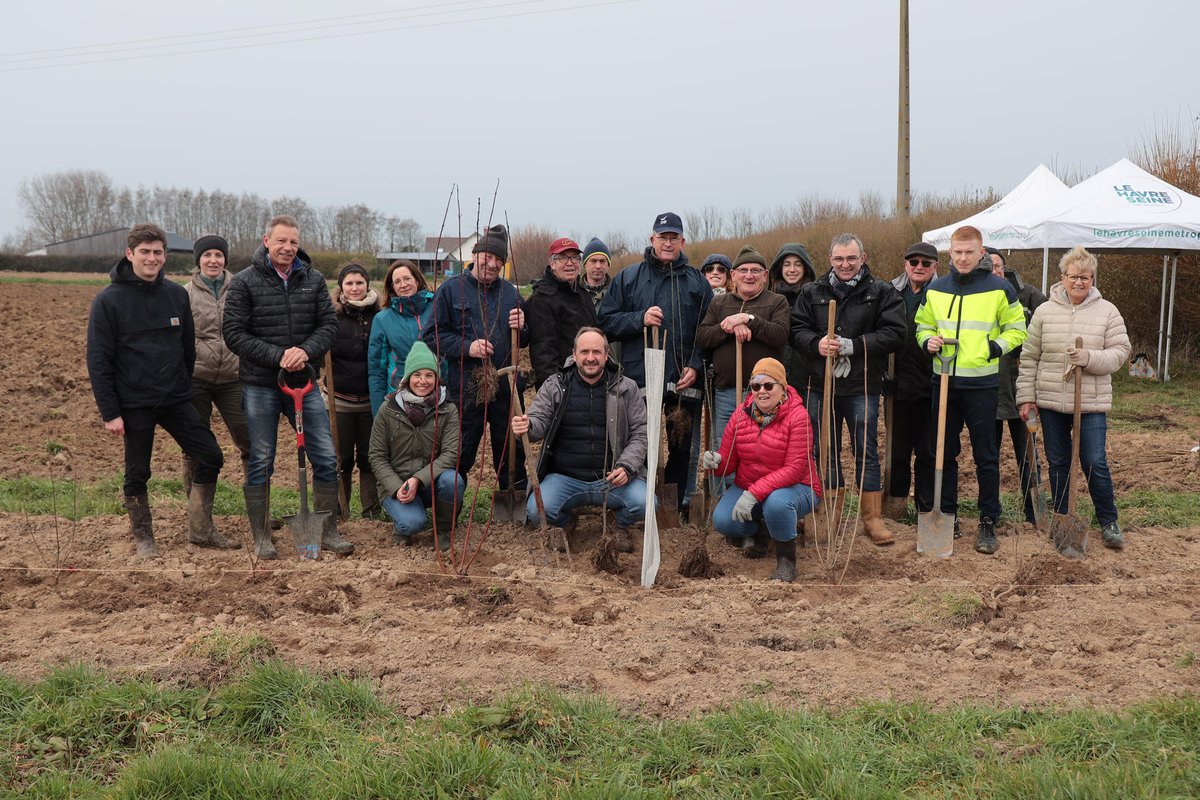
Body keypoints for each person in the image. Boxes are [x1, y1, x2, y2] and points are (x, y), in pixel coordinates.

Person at [86, 223, 227, 558]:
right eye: (145, 252)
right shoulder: (108, 301)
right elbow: (99, 360)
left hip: (175, 398)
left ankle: (201, 529)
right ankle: (144, 538)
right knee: (138, 472)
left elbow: (187, 348)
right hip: (134, 403)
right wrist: (111, 412)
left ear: (165, 256)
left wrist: (179, 383)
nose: (152, 258)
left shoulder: (176, 295)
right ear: (130, 254)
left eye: (158, 252)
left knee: (211, 456)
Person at [223, 214, 352, 558]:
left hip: (304, 383)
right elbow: (234, 333)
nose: (288, 248)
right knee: (261, 458)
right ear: (266, 241)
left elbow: (328, 326)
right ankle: (262, 535)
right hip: (261, 384)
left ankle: (328, 531)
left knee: (324, 455)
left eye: (293, 242)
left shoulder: (312, 280)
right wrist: (278, 356)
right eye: (281, 241)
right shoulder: (244, 282)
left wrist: (304, 352)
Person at [915, 225, 1027, 555]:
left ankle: (988, 520)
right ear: (951, 253)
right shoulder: (936, 289)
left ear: (981, 253)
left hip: (982, 384)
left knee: (986, 456)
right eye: (958, 252)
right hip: (944, 382)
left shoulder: (1000, 289)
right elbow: (922, 325)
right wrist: (928, 342)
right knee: (943, 453)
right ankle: (947, 514)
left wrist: (995, 347)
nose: (963, 258)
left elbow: (1018, 328)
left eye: (970, 252)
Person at [790, 233, 905, 545]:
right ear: (830, 260)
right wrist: (817, 344)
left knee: (865, 449)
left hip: (861, 384)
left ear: (862, 259)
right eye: (839, 259)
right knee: (822, 448)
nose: (845, 264)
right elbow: (796, 330)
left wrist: (855, 345)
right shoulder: (811, 292)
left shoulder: (881, 292)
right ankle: (828, 512)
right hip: (820, 384)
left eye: (851, 258)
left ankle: (872, 517)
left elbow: (895, 333)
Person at [598, 212, 712, 518]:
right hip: (640, 378)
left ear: (682, 241)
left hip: (683, 379)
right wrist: (639, 318)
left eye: (674, 237)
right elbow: (605, 321)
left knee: (681, 447)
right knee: (639, 442)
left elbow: (707, 329)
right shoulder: (628, 277)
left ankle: (675, 508)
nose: (668, 243)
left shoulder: (697, 283)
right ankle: (640, 503)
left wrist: (696, 364)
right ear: (652, 240)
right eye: (663, 237)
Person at [1017, 246, 1130, 548]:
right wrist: (1026, 397)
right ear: (1062, 278)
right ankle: (1063, 519)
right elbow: (1029, 357)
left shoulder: (1108, 311)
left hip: (1090, 403)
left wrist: (1089, 357)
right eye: (1073, 276)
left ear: (1092, 278)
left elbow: (1120, 353)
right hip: (1052, 401)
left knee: (1094, 461)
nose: (1079, 282)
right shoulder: (1044, 312)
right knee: (1058, 463)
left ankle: (1108, 521)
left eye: (1085, 277)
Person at [512, 328, 649, 553]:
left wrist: (627, 466)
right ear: (574, 355)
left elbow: (640, 432)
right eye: (584, 351)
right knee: (537, 511)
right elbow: (538, 421)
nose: (590, 358)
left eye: (597, 352)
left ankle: (618, 522)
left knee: (646, 503)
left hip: (612, 479)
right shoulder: (555, 385)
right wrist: (527, 426)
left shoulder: (626, 387)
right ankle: (566, 524)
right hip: (566, 478)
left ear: (607, 355)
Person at [423, 224, 526, 488]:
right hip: (465, 387)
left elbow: (525, 340)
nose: (492, 264)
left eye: (499, 260)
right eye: (487, 257)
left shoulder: (511, 293)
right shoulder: (450, 290)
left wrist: (523, 327)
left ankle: (512, 498)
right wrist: (467, 348)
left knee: (511, 449)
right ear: (475, 255)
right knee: (460, 450)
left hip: (506, 389)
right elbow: (431, 336)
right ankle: (449, 503)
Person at [701, 357, 819, 582]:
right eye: (756, 386)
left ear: (782, 388)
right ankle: (761, 533)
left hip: (797, 487)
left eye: (768, 385)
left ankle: (786, 561)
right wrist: (716, 463)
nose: (761, 391)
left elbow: (794, 470)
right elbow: (729, 462)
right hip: (750, 486)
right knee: (723, 520)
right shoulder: (741, 414)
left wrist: (755, 492)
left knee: (776, 503)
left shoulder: (798, 417)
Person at [695, 244, 791, 459]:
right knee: (725, 447)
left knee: (763, 447)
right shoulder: (719, 303)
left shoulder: (776, 302)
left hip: (764, 392)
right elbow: (703, 336)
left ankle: (758, 491)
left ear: (765, 275)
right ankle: (728, 491)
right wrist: (727, 325)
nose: (749, 276)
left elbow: (780, 334)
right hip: (726, 392)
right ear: (734, 275)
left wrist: (749, 320)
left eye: (755, 270)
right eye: (743, 270)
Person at [369, 341, 466, 550]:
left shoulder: (448, 410)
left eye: (429, 375)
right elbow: (376, 456)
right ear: (408, 378)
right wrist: (397, 487)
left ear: (436, 379)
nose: (423, 381)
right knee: (412, 523)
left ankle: (442, 531)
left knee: (453, 480)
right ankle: (403, 523)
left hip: (429, 482)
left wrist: (418, 480)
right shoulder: (389, 409)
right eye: (417, 375)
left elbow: (451, 454)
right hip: (397, 484)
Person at [183, 234, 251, 505]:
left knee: (250, 443)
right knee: (194, 446)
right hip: (196, 379)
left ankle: (259, 511)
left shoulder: (241, 288)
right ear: (198, 260)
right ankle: (197, 511)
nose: (213, 260)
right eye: (207, 255)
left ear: (225, 259)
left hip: (234, 378)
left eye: (218, 255)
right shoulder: (184, 293)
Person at [987, 246, 1047, 526]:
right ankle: (990, 512)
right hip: (989, 391)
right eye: (987, 266)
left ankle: (1034, 512)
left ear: (1005, 268)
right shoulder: (977, 296)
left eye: (996, 266)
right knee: (988, 456)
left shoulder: (1030, 296)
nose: (993, 271)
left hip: (1024, 390)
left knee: (1029, 453)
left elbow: (1045, 336)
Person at [885, 242, 940, 516]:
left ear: (935, 267)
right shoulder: (890, 291)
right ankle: (896, 504)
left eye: (926, 263)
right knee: (897, 450)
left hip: (931, 384)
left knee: (928, 452)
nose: (919, 267)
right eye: (914, 262)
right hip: (897, 383)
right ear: (905, 264)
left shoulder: (942, 294)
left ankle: (926, 506)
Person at [329, 262, 384, 519]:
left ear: (367, 285)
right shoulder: (331, 317)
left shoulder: (379, 316)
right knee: (341, 459)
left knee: (369, 457)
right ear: (341, 286)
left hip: (371, 402)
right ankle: (341, 509)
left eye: (359, 283)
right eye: (349, 283)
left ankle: (370, 509)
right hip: (339, 400)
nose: (354, 288)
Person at [525, 237, 598, 388]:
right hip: (562, 387)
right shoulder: (541, 299)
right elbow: (544, 354)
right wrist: (556, 390)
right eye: (563, 258)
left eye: (575, 258)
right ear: (552, 264)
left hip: (589, 381)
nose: (570, 263)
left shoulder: (583, 294)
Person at [367, 259, 435, 415]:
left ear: (417, 280)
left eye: (407, 279)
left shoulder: (437, 307)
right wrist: (379, 412)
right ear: (392, 288)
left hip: (437, 396)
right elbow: (376, 369)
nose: (403, 284)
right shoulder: (383, 319)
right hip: (399, 397)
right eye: (397, 281)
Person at [769, 243, 817, 397]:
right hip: (774, 373)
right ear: (779, 268)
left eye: (798, 264)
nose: (792, 270)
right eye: (787, 264)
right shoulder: (769, 297)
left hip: (807, 377)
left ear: (806, 268)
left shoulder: (816, 297)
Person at [578, 237, 613, 311]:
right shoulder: (574, 292)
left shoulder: (617, 291)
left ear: (608, 264)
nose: (598, 266)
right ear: (585, 264)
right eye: (593, 261)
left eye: (602, 261)